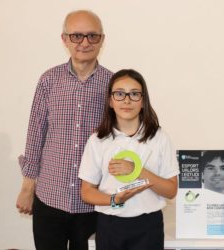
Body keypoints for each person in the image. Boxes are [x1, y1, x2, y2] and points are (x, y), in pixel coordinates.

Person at [15, 10, 113, 250]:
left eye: (92, 36)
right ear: (64, 39)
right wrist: (27, 189)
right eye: (77, 36)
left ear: (102, 39)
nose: (85, 43)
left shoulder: (114, 84)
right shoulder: (49, 80)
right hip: (50, 199)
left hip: (93, 203)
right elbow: (35, 134)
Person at [78, 69, 179, 250]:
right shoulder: (97, 140)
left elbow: (171, 190)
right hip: (110, 225)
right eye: (119, 94)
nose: (126, 100)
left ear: (143, 101)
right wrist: (114, 199)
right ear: (110, 100)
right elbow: (86, 192)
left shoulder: (159, 137)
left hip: (148, 225)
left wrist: (136, 171)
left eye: (134, 94)